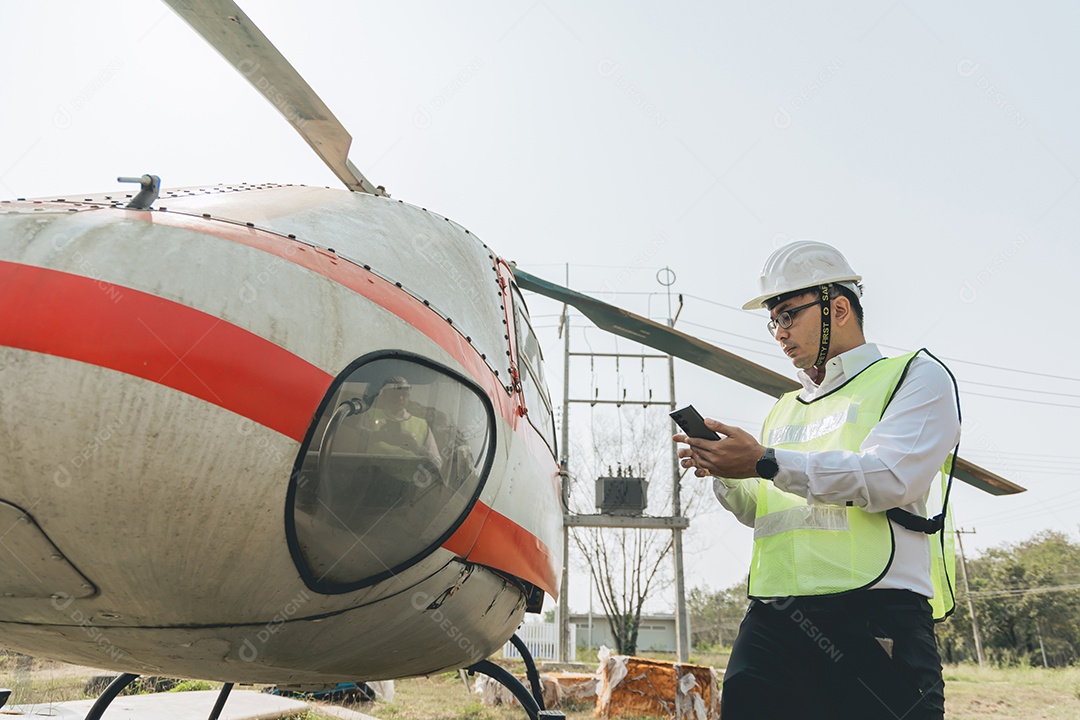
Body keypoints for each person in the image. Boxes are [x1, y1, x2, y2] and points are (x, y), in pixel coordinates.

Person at [674, 241, 958, 720]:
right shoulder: (785, 407)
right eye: (773, 321)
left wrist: (764, 462)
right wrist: (724, 471)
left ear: (839, 308)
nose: (779, 334)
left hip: (874, 614)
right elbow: (759, 509)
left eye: (788, 315)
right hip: (775, 618)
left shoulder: (915, 377)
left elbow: (890, 478)